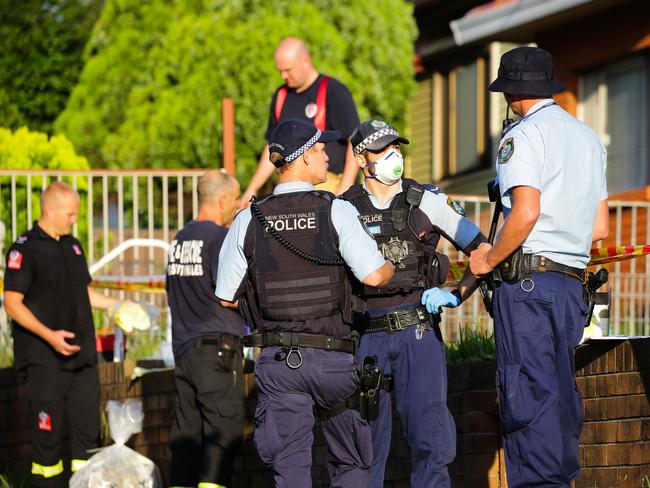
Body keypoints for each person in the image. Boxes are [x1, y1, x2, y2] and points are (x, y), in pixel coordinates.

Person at [216, 118, 394, 488]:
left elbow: (225, 296)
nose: (328, 157)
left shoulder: (249, 217)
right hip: (333, 361)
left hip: (279, 364)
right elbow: (375, 276)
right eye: (320, 150)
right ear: (303, 157)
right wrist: (392, 264)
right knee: (352, 464)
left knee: (291, 471)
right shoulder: (336, 210)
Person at [469, 46, 609, 488]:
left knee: (526, 391)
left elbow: (524, 212)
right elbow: (600, 226)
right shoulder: (587, 137)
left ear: (510, 93)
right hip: (570, 285)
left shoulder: (522, 136)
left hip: (527, 281)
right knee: (560, 392)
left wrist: (489, 258)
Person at [342, 119, 485, 487]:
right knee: (363, 451)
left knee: (431, 443)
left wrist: (456, 293)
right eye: (382, 150)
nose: (394, 156)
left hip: (417, 332)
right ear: (361, 158)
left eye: (397, 148)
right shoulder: (341, 210)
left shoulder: (428, 202)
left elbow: (483, 251)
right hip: (365, 337)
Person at [3, 182, 124, 487]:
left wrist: (118, 306)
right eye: (70, 215)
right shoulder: (25, 248)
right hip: (44, 362)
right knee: (49, 444)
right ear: (50, 209)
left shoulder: (73, 245)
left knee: (88, 439)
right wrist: (49, 335)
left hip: (82, 360)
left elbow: (84, 293)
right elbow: (12, 303)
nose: (74, 220)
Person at [166, 170, 245, 488]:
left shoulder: (179, 240)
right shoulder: (218, 239)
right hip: (217, 351)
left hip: (184, 351)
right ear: (222, 199)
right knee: (224, 433)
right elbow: (230, 296)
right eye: (236, 197)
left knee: (187, 438)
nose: (238, 204)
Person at [240, 37, 360, 205]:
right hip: (290, 188)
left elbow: (354, 140)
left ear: (305, 61)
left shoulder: (333, 91)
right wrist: (252, 188)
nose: (283, 76)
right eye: (280, 71)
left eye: (288, 70)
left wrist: (345, 188)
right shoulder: (281, 96)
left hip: (328, 185)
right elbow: (272, 148)